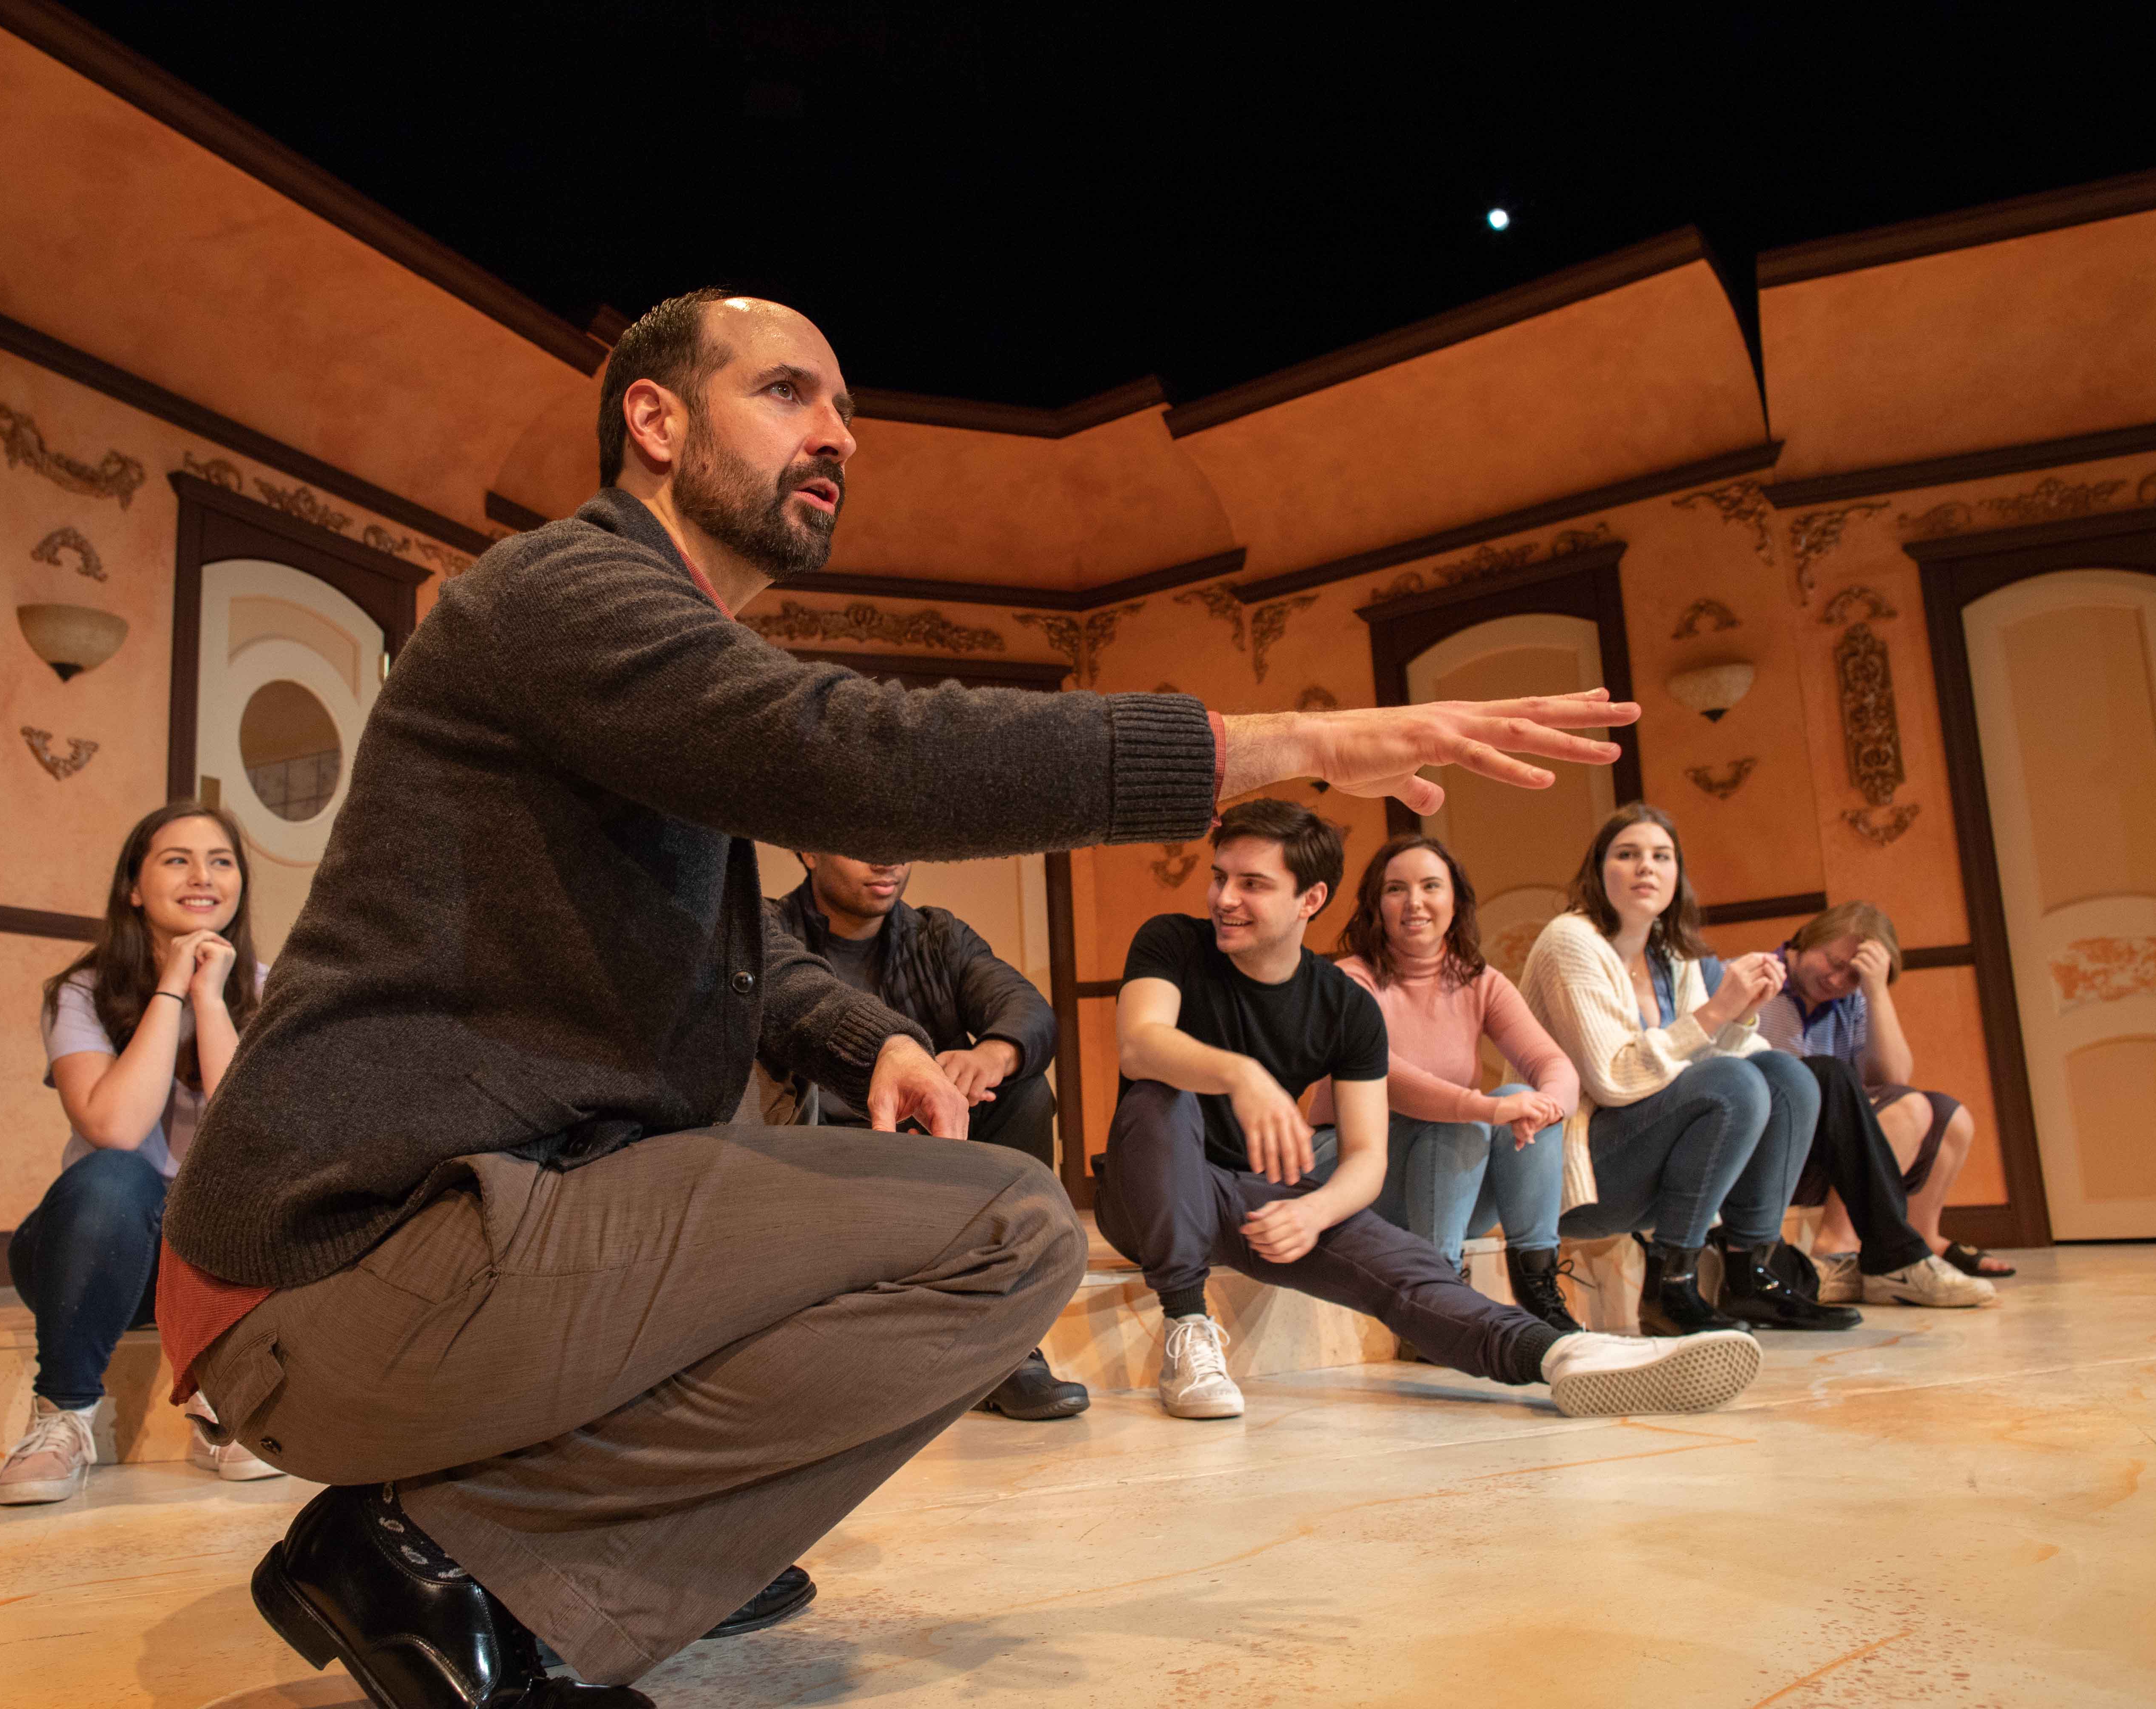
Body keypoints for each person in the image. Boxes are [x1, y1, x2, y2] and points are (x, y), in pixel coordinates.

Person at [158, 289, 1642, 1709]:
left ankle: (573, 1549)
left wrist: (878, 1042)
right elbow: (858, 756)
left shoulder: (641, 655)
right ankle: (447, 1558)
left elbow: (747, 961)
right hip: (340, 1266)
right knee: (1000, 1236)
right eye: (788, 391)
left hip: (425, 1252)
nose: (841, 437)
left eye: (850, 410)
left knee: (942, 1221)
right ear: (656, 421)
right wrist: (1287, 743)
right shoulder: (562, 590)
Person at [1097, 799, 1759, 1425]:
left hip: (1250, 1196)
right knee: (1161, 1096)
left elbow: (1367, 1159)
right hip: (1150, 1190)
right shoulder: (1173, 943)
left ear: (1311, 900)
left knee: (1405, 1266)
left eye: (1252, 884)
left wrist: (1315, 1211)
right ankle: (1186, 1327)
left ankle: (1560, 1355)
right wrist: (1240, 1075)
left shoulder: (1342, 1005)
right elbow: (1139, 1046)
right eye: (1219, 879)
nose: (1224, 899)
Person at [0, 804, 285, 1506]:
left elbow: (250, 1137)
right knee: (116, 1174)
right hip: (97, 1248)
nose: (202, 876)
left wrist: (211, 1000)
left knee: (257, 1199)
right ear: (133, 885)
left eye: (220, 860)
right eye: (175, 859)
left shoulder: (273, 987)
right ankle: (63, 1417)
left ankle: (223, 1403)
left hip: (211, 1254)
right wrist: (169, 988)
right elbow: (115, 1127)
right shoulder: (82, 991)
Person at [767, 852, 1089, 1420]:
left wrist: (994, 1053)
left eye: (901, 839)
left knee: (1024, 1090)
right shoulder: (771, 930)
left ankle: (1008, 1349)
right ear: (810, 848)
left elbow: (1026, 1008)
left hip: (929, 1153)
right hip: (819, 1160)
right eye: (863, 840)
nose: (887, 858)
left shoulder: (938, 936)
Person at [1519, 804, 1858, 1336]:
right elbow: (1613, 1082)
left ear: (1677, 877)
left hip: (1646, 1152)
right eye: (1627, 855)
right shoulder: (1572, 941)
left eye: (1661, 857)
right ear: (1597, 871)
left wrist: (1742, 1010)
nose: (1645, 868)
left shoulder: (1670, 952)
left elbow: (1714, 1061)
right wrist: (1718, 1010)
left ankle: (1751, 1274)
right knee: (1737, 1083)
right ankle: (1670, 1289)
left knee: (1789, 1078)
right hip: (1577, 1169)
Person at [1318, 834, 1582, 1330]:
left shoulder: (1479, 981)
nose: (1414, 902)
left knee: (1520, 1099)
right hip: (1351, 1167)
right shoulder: (1350, 980)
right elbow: (1384, 1075)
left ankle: (1538, 1286)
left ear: (1455, 901)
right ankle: (1434, 1306)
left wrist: (1547, 1106)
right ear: (1376, 904)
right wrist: (1482, 1109)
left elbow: (1555, 1064)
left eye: (1430, 886)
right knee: (1465, 1116)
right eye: (1396, 889)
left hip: (1445, 1177)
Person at [1762, 901, 2012, 1290]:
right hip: (1773, 1144)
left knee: (1948, 1114)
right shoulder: (1753, 977)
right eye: (1832, 961)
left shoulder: (1852, 1000)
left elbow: (1894, 1078)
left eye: (1852, 976)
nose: (1836, 980)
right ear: (1809, 939)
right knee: (1906, 1108)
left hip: (1832, 1147)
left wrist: (1875, 992)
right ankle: (1835, 1250)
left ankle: (1923, 1236)